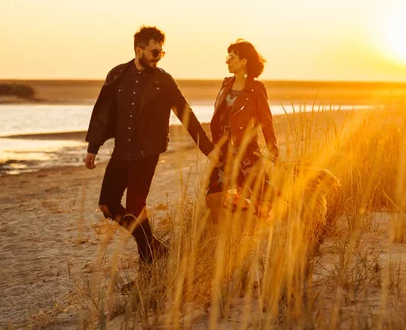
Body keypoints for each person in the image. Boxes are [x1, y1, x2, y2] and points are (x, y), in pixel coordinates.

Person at [84, 26, 219, 264]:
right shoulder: (117, 74)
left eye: (161, 53)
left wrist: (208, 149)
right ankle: (154, 247)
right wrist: (93, 147)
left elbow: (186, 115)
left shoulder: (163, 80)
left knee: (136, 208)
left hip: (147, 152)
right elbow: (103, 111)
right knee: (107, 205)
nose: (158, 57)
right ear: (139, 50)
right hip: (122, 151)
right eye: (154, 52)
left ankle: (148, 261)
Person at [205, 39, 279, 220]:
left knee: (261, 201)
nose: (227, 61)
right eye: (227, 57)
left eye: (231, 57)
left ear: (244, 61)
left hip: (246, 153)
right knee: (213, 197)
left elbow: (266, 121)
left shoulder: (256, 89)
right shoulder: (226, 84)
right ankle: (232, 228)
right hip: (224, 152)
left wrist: (272, 147)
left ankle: (254, 217)